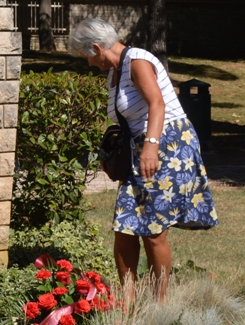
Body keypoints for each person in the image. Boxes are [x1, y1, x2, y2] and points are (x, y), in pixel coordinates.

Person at [71, 18, 218, 302]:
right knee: (125, 226)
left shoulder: (137, 61)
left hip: (168, 145)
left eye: (87, 57)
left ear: (96, 47)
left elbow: (157, 103)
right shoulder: (113, 73)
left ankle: (158, 303)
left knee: (153, 229)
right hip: (140, 149)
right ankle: (129, 300)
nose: (88, 64)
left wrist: (151, 147)